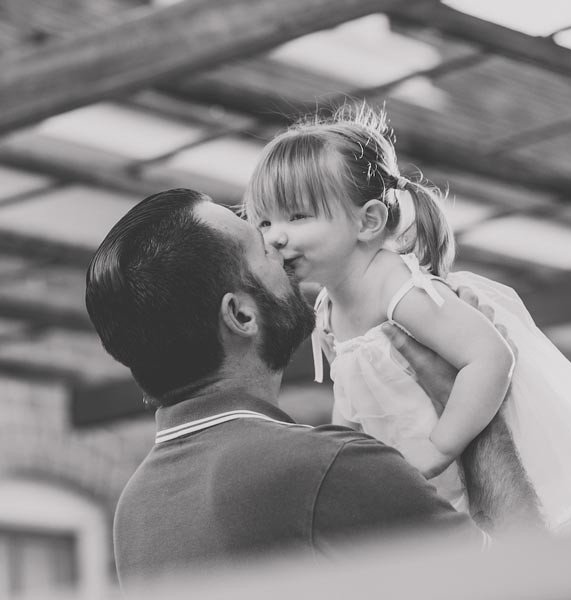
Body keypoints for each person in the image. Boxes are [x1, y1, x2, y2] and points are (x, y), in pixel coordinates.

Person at [85, 188, 542, 584]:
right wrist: (471, 391)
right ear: (241, 316)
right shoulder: (326, 468)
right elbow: (540, 580)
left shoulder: (136, 510)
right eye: (261, 249)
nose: (280, 248)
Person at [242, 104, 571, 534]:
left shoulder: (396, 287)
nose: (275, 235)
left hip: (458, 453)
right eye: (264, 220)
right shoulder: (328, 310)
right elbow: (350, 401)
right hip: (419, 478)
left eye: (297, 216)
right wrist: (346, 459)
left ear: (368, 221)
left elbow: (491, 358)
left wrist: (440, 447)